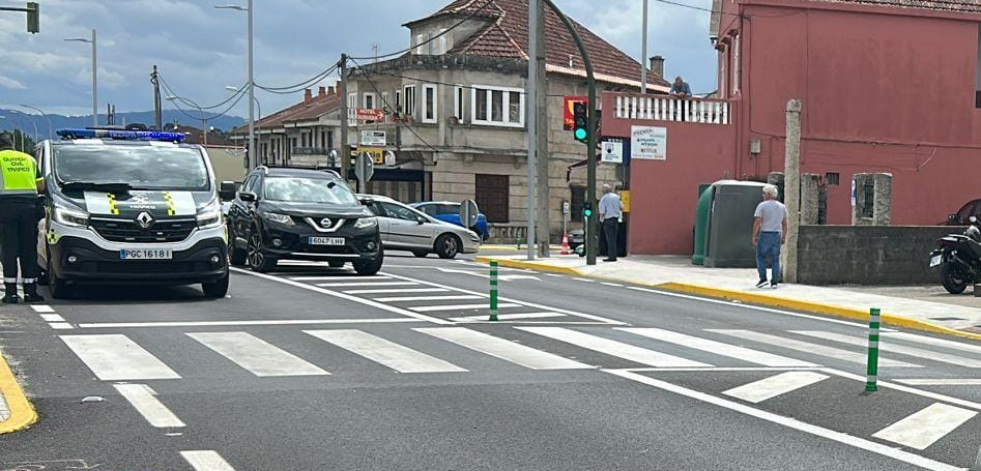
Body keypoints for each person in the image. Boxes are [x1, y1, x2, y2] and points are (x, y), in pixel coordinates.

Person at [0, 133, 45, 303]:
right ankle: (30, 292)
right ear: (12, 145)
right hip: (29, 207)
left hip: (5, 208)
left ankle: (11, 293)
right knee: (29, 249)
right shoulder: (29, 159)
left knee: (8, 249)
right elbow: (41, 186)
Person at [752, 184, 788, 289]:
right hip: (777, 234)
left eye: (764, 193)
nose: (763, 195)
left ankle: (763, 279)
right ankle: (774, 282)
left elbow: (758, 221)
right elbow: (785, 223)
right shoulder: (782, 207)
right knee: (775, 259)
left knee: (760, 256)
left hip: (765, 233)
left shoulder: (762, 206)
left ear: (768, 194)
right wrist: (784, 236)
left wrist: (754, 235)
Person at [598, 183, 624, 262]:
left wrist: (601, 219)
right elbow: (622, 207)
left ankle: (611, 257)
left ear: (604, 191)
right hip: (615, 220)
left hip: (608, 220)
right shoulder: (616, 197)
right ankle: (614, 255)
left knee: (609, 239)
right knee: (614, 239)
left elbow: (602, 211)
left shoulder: (604, 198)